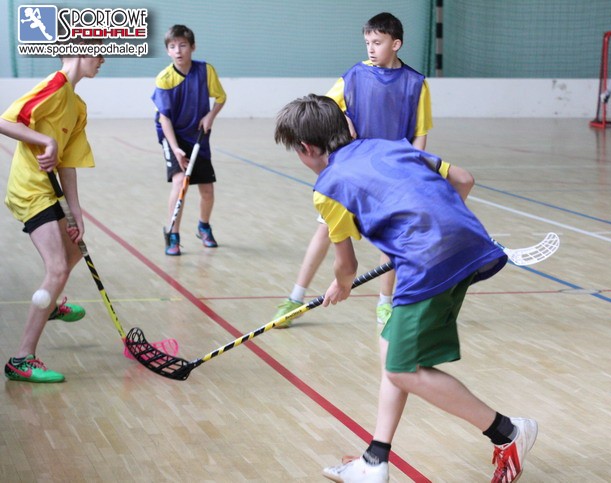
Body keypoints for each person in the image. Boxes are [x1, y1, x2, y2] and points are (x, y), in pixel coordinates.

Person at [274, 94, 537, 483]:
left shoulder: (327, 186)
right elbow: (462, 179)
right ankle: (375, 461)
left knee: (401, 370)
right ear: (346, 128)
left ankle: (508, 432)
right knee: (392, 350)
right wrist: (435, 226)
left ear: (306, 148)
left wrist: (341, 285)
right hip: (468, 245)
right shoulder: (390, 146)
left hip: (428, 264)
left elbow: (347, 266)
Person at [273, 12, 462, 329]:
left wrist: (416, 168)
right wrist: (347, 126)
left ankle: (385, 303)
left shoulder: (416, 83)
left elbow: (420, 132)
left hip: (393, 174)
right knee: (325, 231)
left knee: (390, 242)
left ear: (396, 44)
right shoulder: (353, 77)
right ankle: (295, 298)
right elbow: (325, 112)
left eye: (378, 42)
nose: (371, 49)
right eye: (367, 43)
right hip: (353, 172)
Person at [0, 39, 104, 383]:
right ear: (78, 51)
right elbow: (5, 121)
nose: (103, 59)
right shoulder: (54, 86)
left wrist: (76, 212)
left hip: (50, 190)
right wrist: (45, 141)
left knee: (73, 251)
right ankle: (21, 359)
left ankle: (51, 300)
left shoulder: (78, 105)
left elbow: (68, 163)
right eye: (98, 51)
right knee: (57, 267)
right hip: (30, 189)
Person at [152, 24, 226, 256]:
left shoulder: (205, 71)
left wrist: (210, 116)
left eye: (183, 45)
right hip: (172, 136)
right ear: (168, 51)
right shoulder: (164, 79)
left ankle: (204, 226)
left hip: (198, 135)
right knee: (180, 182)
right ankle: (173, 233)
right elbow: (164, 119)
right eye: (173, 46)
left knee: (207, 189)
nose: (178, 51)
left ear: (192, 47)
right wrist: (175, 148)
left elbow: (221, 98)